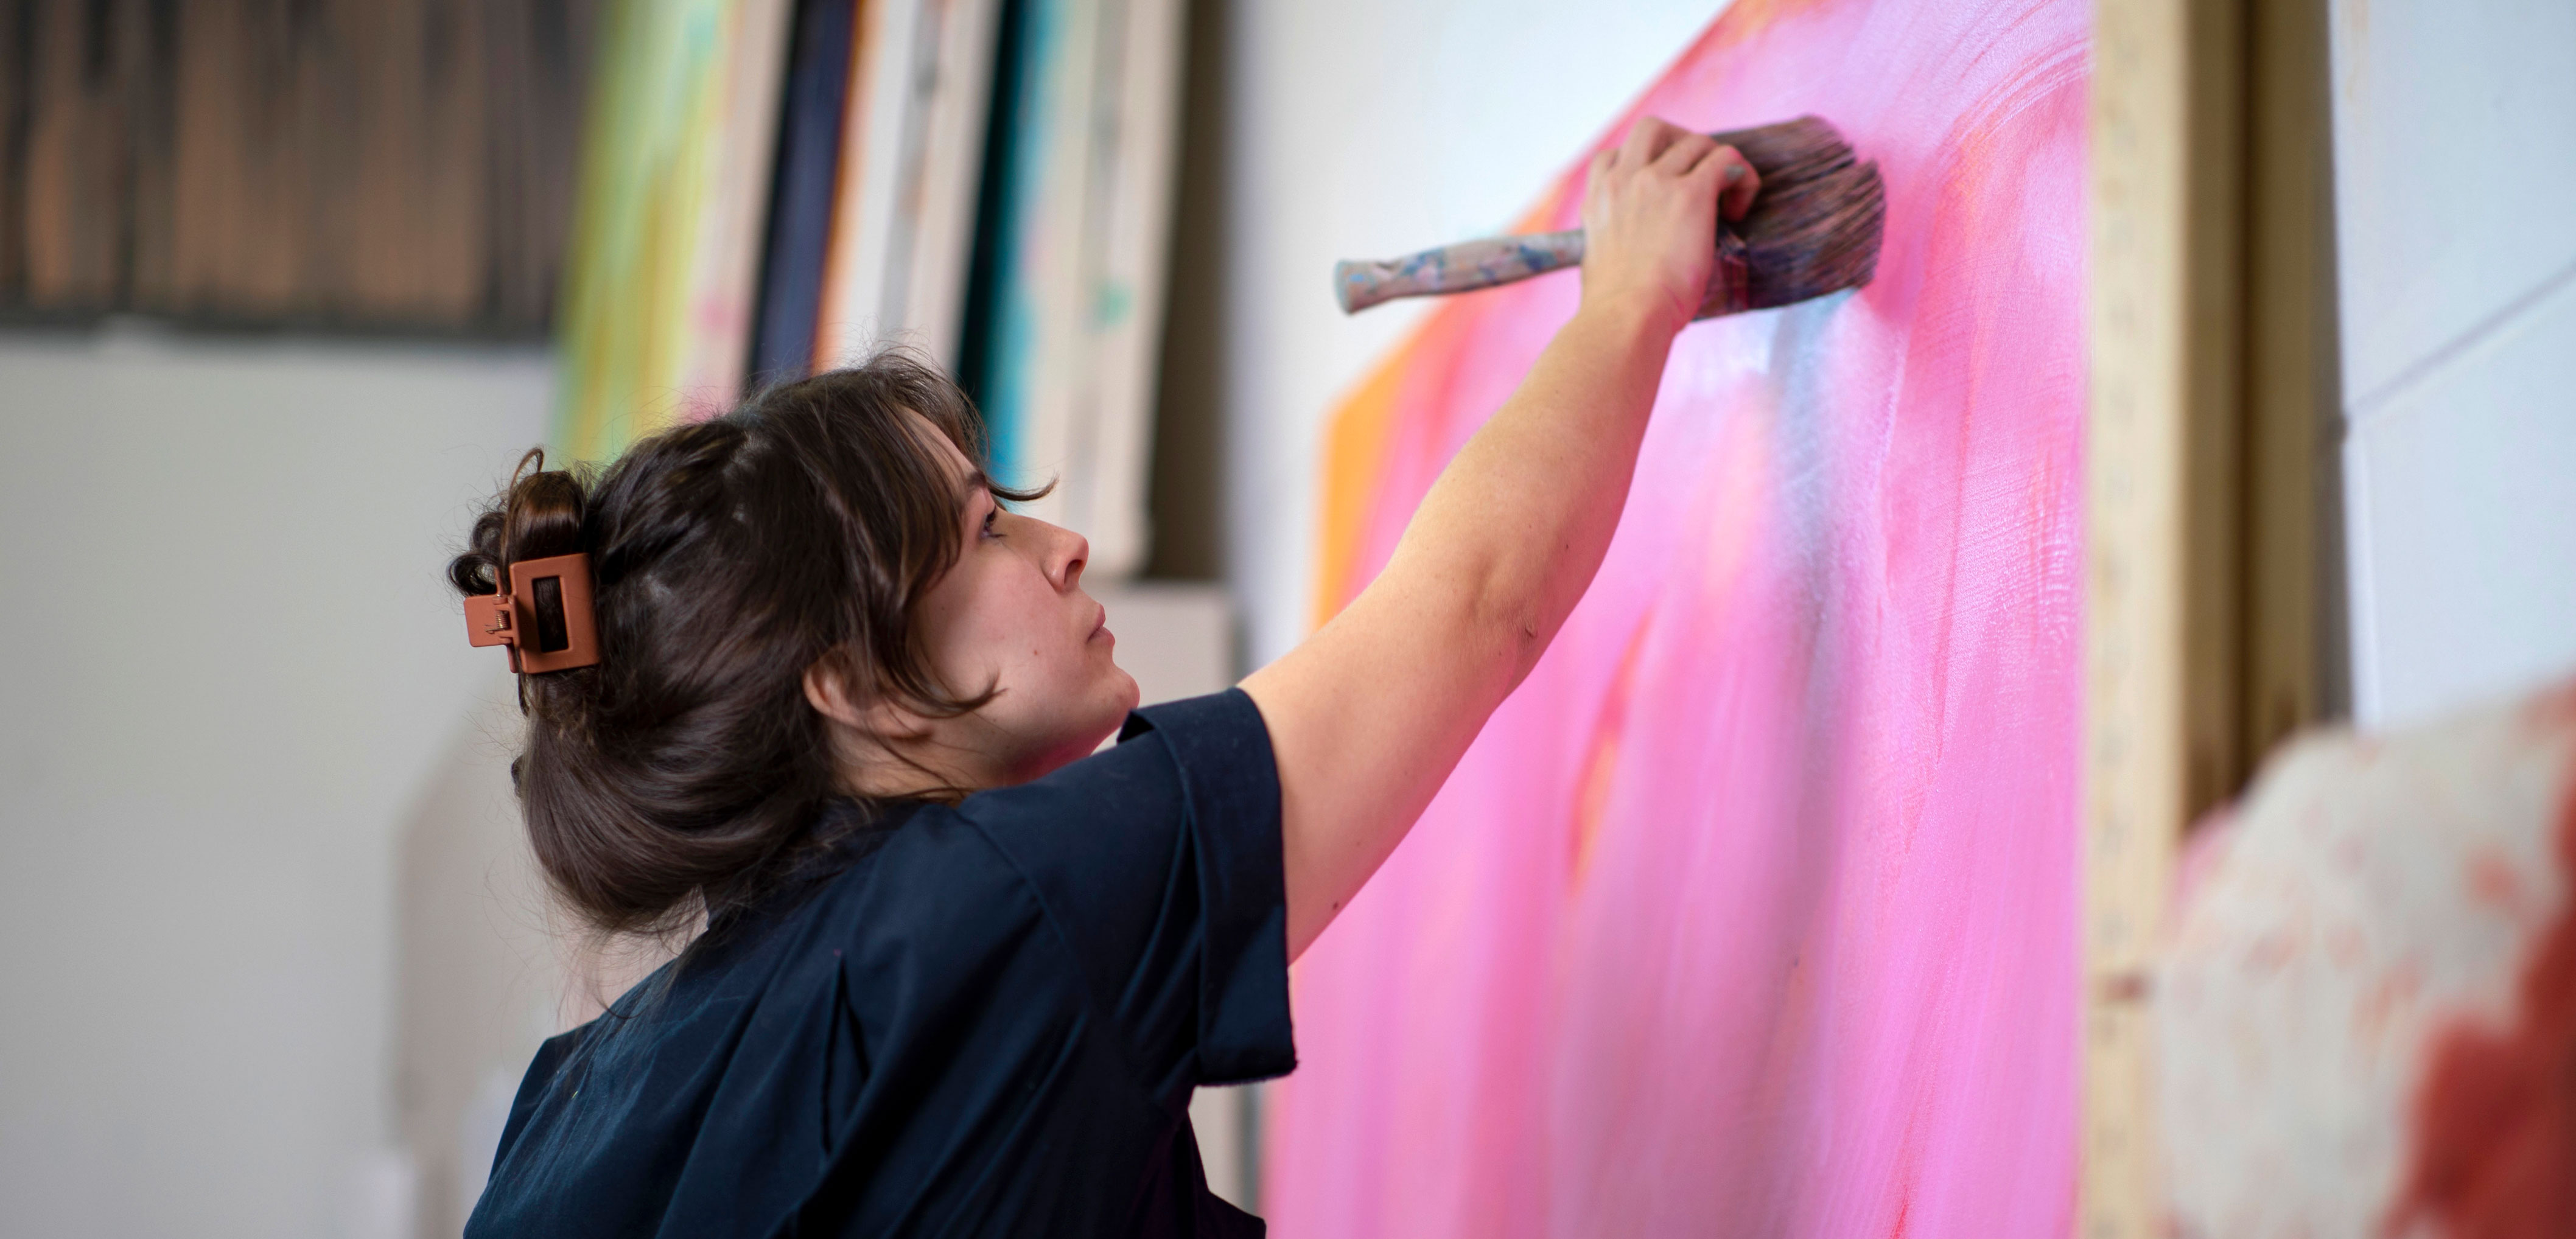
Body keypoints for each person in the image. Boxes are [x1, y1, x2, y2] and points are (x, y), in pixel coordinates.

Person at [455, 117, 1758, 1237]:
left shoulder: (570, 1107)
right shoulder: (991, 910)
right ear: (851, 683)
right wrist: (1632, 294)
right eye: (987, 530)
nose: (1064, 545)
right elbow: (1475, 605)